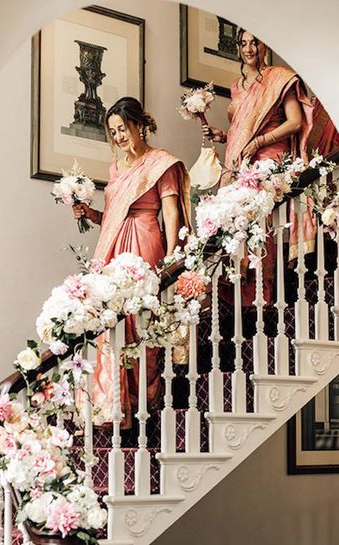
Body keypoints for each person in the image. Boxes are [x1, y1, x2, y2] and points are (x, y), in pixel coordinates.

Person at [73, 97, 191, 428]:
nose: (119, 137)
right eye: (113, 132)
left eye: (122, 129)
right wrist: (90, 213)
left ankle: (141, 400)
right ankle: (116, 404)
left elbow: (170, 211)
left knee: (137, 321)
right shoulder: (116, 167)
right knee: (113, 322)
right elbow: (113, 215)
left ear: (139, 125)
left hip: (146, 239)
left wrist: (172, 256)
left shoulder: (160, 162)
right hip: (114, 247)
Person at [202, 29, 313, 304]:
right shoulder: (237, 86)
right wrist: (224, 136)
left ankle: (261, 294)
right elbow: (244, 130)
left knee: (258, 223)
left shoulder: (279, 78)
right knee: (237, 222)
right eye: (244, 44)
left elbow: (295, 121)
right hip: (243, 160)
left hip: (269, 158)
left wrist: (260, 141)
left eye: (255, 42)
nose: (249, 49)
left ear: (265, 44)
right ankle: (243, 295)